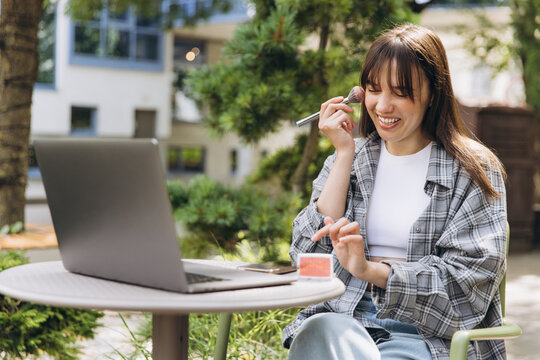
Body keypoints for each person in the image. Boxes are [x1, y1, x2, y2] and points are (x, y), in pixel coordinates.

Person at [283, 24, 507, 360]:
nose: (383, 106)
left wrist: (371, 270)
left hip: (428, 337)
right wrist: (344, 154)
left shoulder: (473, 170)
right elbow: (306, 261)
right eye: (373, 90)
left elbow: (469, 286)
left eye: (400, 92)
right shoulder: (349, 159)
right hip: (342, 323)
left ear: (433, 93)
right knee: (319, 334)